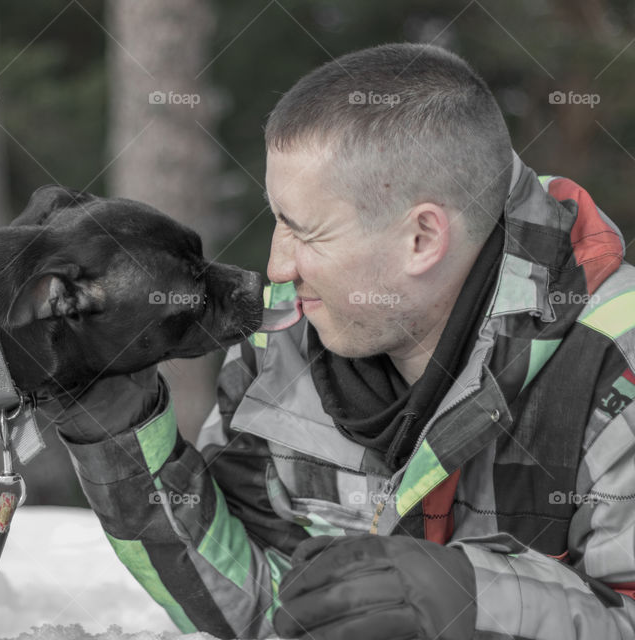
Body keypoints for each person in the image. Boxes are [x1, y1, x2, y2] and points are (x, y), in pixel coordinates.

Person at [42, 43, 635, 639]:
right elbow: (264, 609)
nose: (276, 268)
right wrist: (117, 428)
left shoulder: (614, 367)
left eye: (305, 231)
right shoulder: (282, 345)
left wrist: (475, 602)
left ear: (422, 238)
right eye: (276, 219)